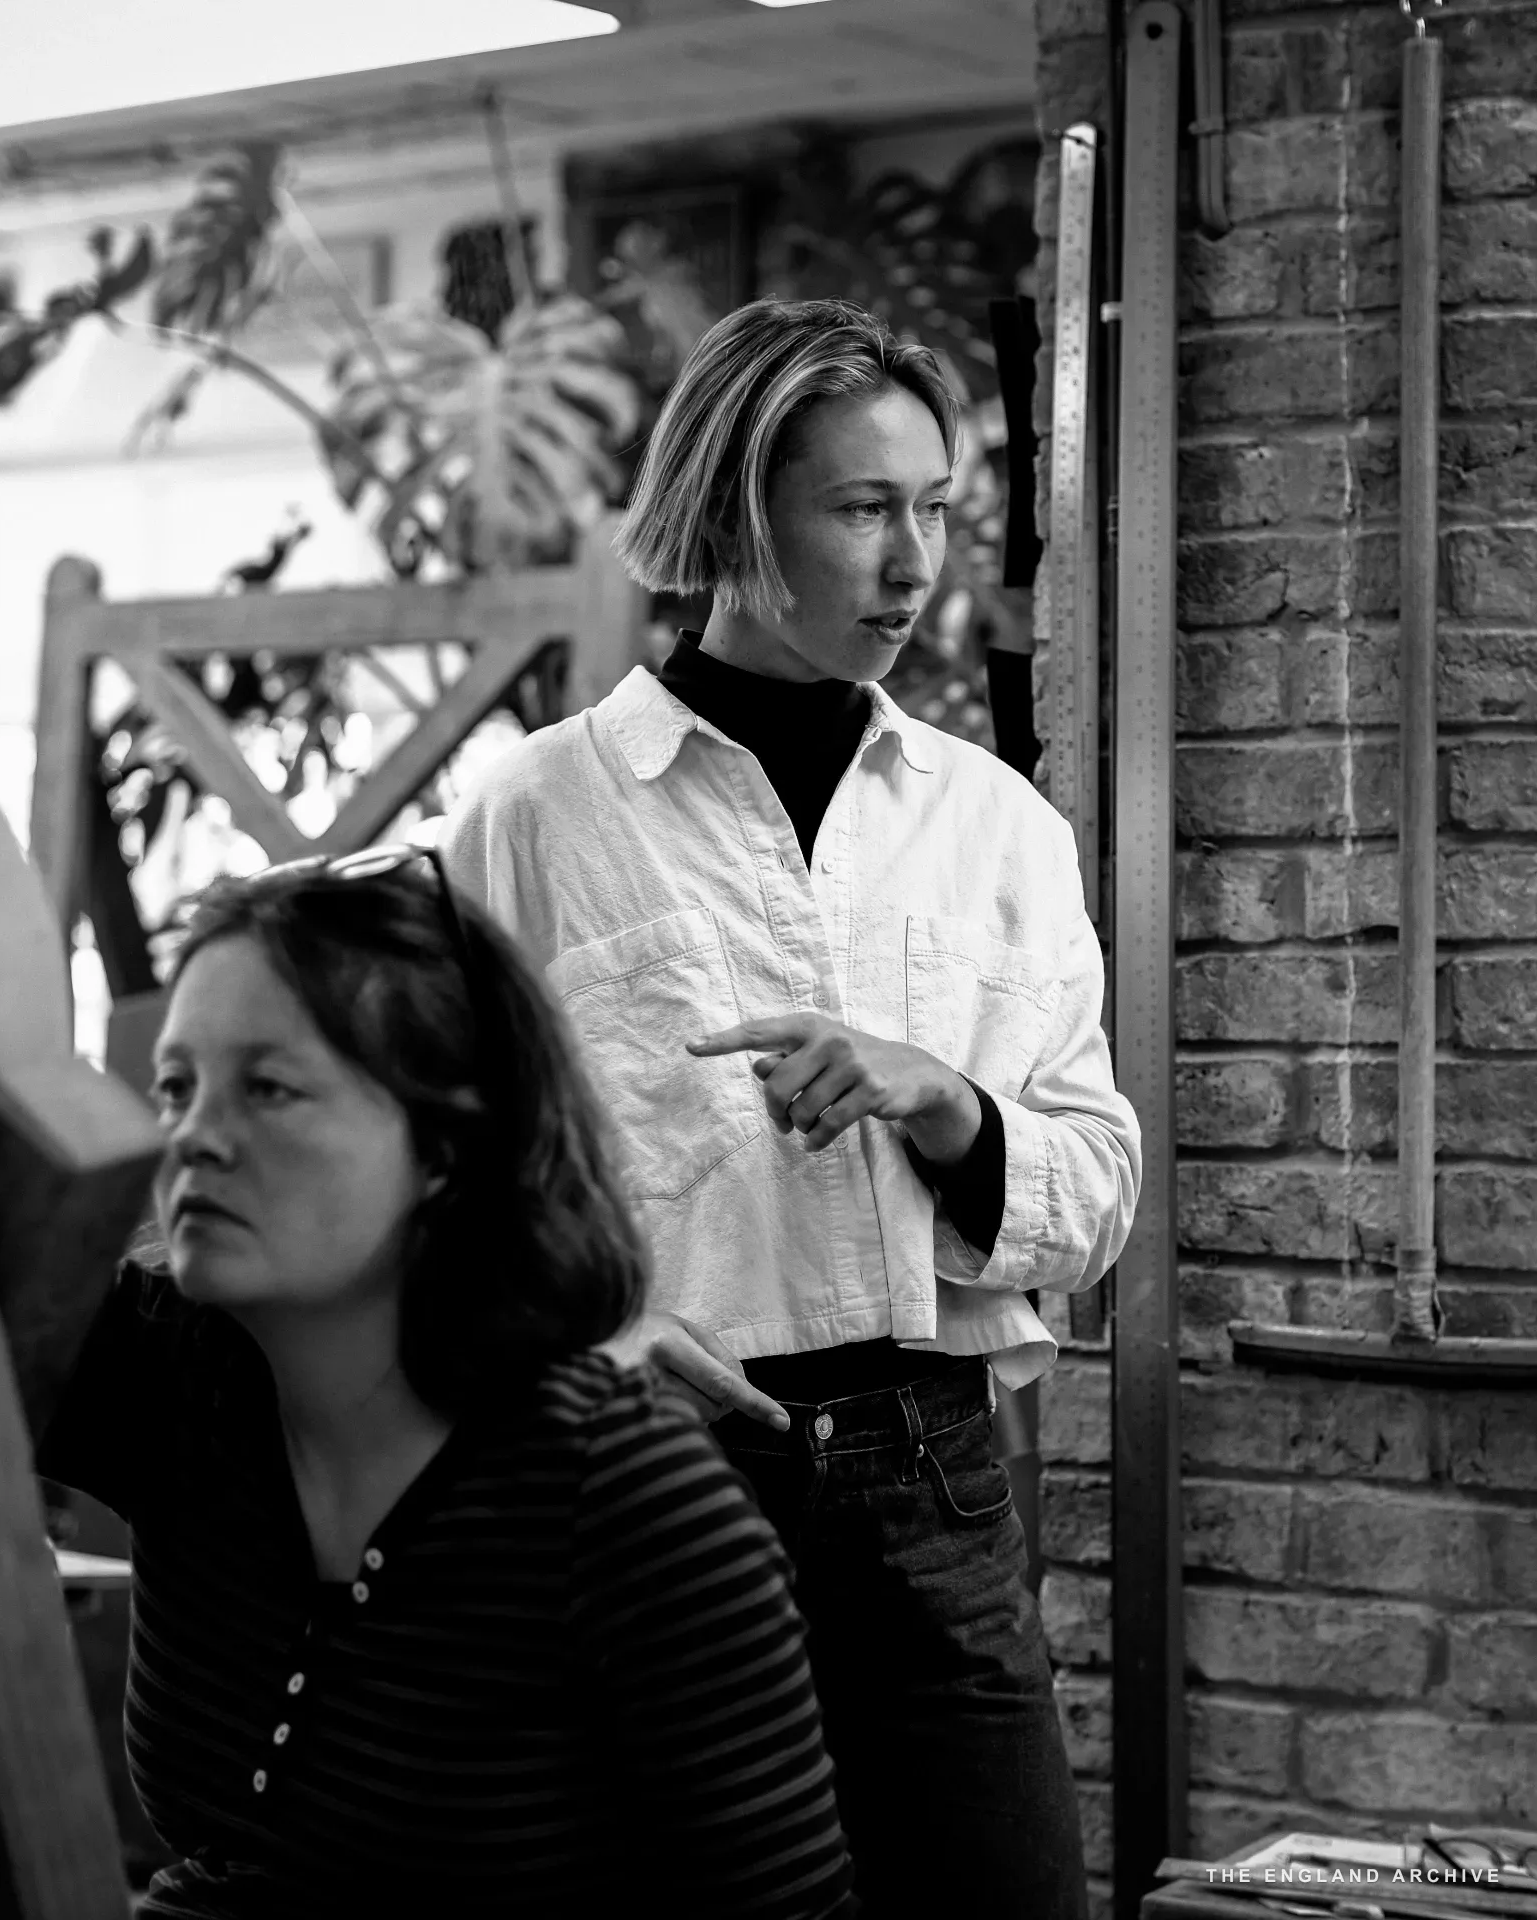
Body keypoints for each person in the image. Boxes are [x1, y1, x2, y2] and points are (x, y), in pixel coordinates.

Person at [441, 298, 1141, 1918]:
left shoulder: (998, 829)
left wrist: (948, 1106)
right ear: (736, 511)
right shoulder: (540, 818)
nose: (917, 567)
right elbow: (451, 1194)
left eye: (935, 511)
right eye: (864, 509)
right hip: (649, 1485)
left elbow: (1100, 1197)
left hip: (937, 1490)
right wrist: (578, 1347)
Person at [34, 849, 859, 1920]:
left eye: (269, 1088)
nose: (193, 1136)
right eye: (177, 1088)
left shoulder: (625, 1498)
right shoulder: (167, 1374)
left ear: (447, 1149)